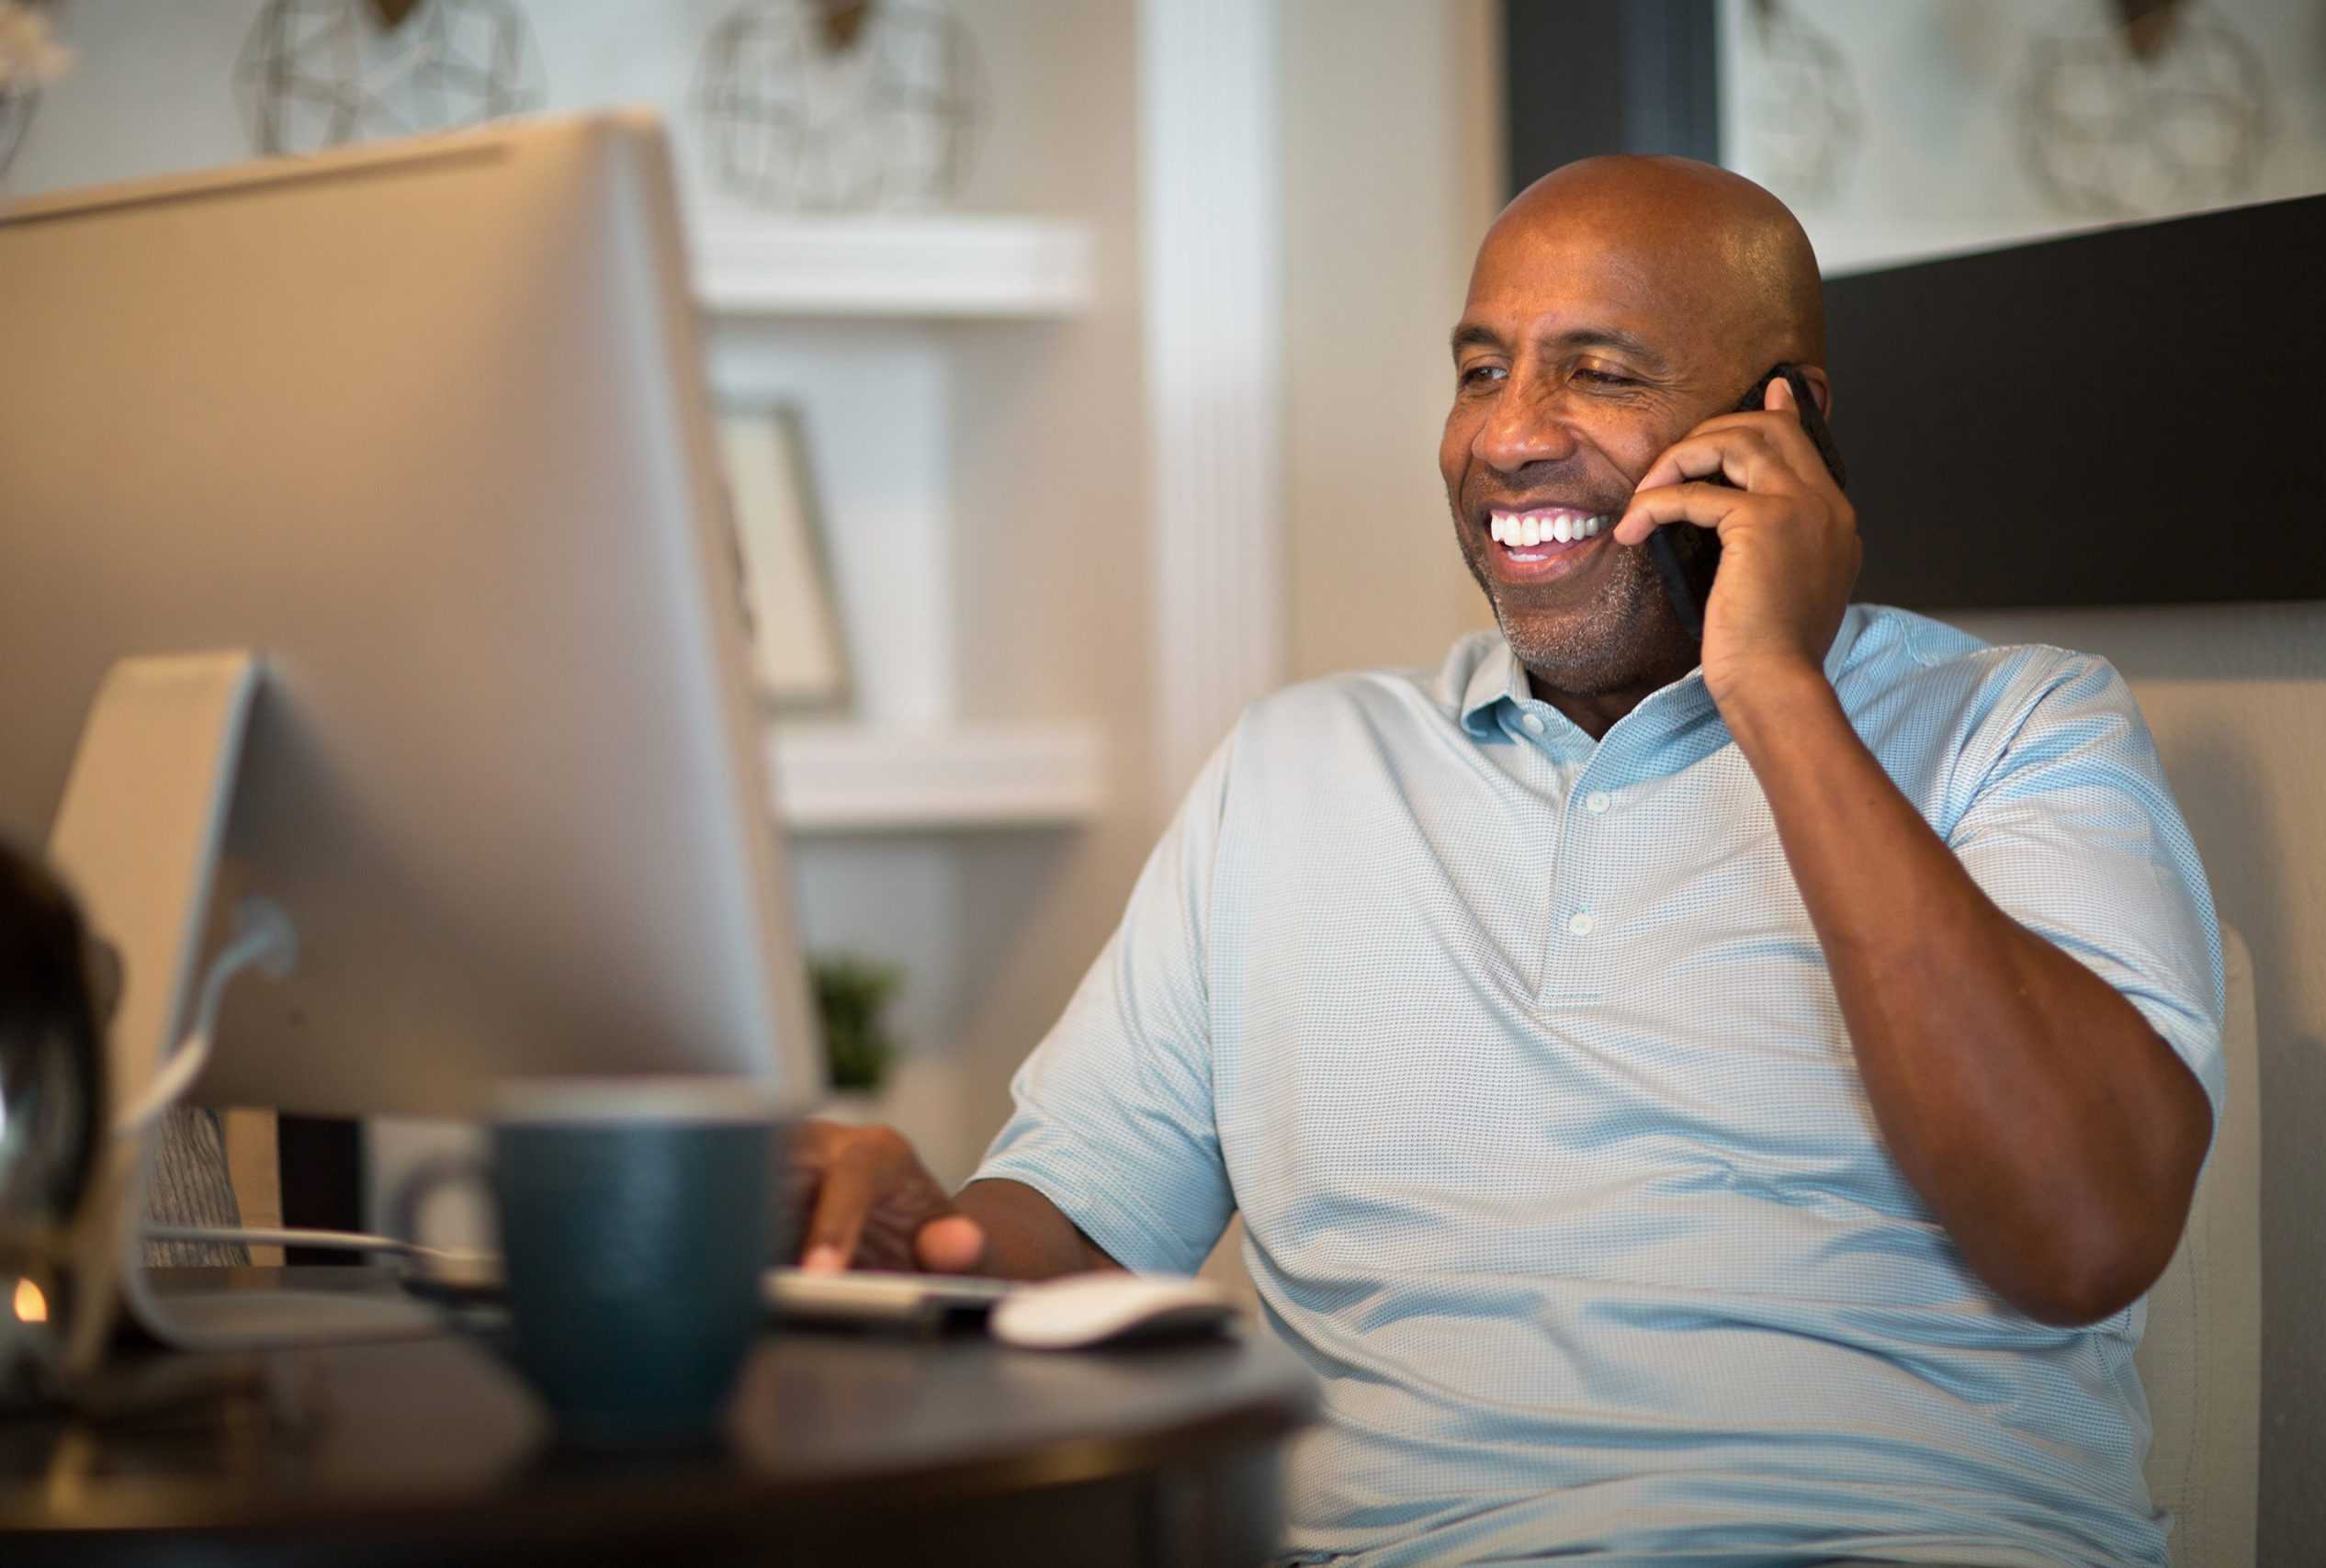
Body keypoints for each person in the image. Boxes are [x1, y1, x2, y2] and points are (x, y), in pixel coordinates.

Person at [790, 157, 2222, 1566]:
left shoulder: (2023, 729)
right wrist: (910, 1252)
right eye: (1482, 370)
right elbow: (1078, 1246)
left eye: (1598, 372)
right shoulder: (1297, 770)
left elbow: (2081, 1235)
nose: (1509, 437)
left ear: (1786, 425)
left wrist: (1774, 683)